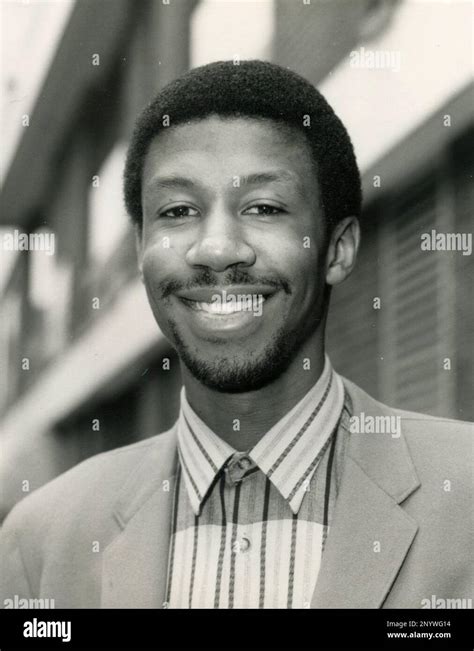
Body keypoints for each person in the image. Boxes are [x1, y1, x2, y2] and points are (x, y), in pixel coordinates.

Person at [1, 60, 472, 609]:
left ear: (337, 249)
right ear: (140, 252)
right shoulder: (39, 542)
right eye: (178, 211)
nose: (217, 249)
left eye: (264, 208)